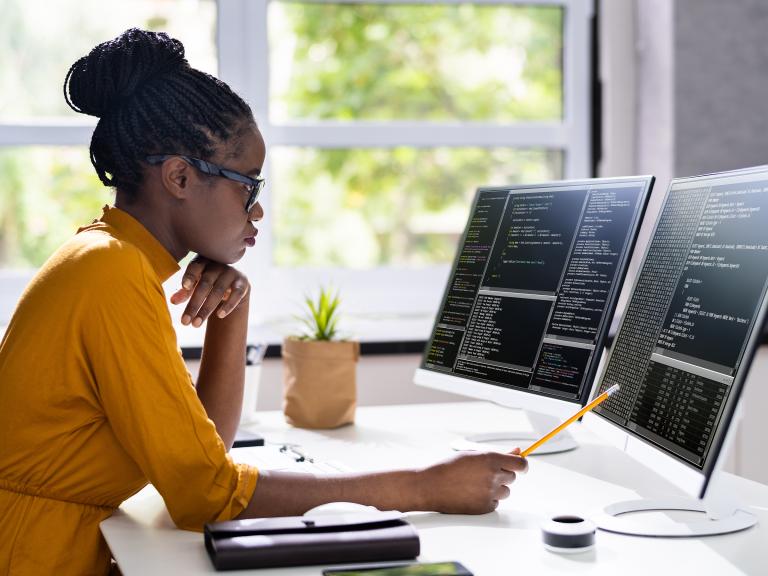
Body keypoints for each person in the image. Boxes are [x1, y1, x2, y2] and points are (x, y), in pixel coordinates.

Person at [0, 28, 528, 575]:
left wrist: (234, 309)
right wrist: (424, 487)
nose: (256, 212)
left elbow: (205, 453)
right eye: (247, 184)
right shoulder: (110, 274)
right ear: (180, 176)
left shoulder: (109, 258)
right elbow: (205, 494)